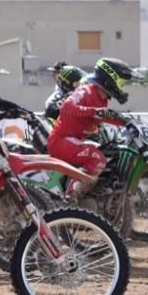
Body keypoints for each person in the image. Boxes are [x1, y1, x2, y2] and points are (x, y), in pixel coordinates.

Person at [47, 57, 134, 202]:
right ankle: (69, 200)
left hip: (74, 141)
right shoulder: (86, 91)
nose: (122, 87)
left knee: (111, 154)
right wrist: (93, 111)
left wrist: (127, 121)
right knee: (97, 158)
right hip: (60, 141)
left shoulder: (103, 99)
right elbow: (66, 107)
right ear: (109, 79)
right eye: (121, 83)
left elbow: (102, 116)